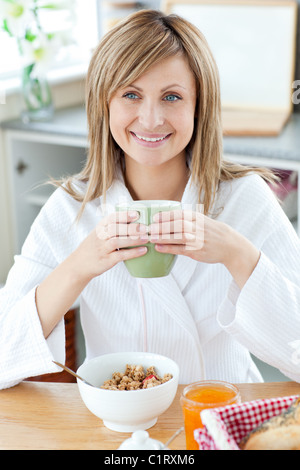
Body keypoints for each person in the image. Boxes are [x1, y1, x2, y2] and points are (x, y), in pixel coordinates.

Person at [1, 9, 300, 389]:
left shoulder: (244, 200)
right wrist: (78, 266)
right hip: (116, 428)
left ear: (199, 106)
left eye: (172, 97)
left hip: (220, 418)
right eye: (131, 94)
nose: (151, 118)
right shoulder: (72, 208)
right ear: (104, 104)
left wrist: (237, 254)